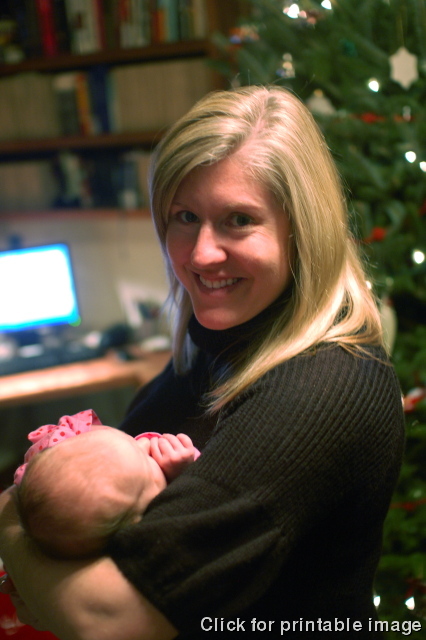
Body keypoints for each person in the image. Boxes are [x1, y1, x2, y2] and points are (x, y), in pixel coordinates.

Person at [0, 85, 405, 639]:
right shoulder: (218, 343)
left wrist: (12, 515)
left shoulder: (323, 388)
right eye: (185, 216)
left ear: (302, 229)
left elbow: (109, 621)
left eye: (239, 220)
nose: (200, 254)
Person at [12, 410, 199, 559]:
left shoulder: (59, 454)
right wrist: (183, 474)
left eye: (129, 440)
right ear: (138, 522)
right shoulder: (161, 521)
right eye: (148, 461)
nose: (143, 442)